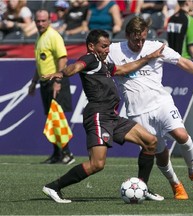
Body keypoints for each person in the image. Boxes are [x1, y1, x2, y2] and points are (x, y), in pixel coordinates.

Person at [41, 29, 165, 203]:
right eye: (104, 46)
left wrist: (149, 57)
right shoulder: (90, 59)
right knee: (97, 164)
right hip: (98, 116)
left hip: (112, 117)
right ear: (92, 46)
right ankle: (54, 187)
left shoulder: (104, 64)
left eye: (108, 46)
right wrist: (61, 73)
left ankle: (142, 187)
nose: (107, 50)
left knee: (150, 142)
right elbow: (76, 66)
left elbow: (123, 68)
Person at [107, 16, 193, 201]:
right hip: (138, 112)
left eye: (142, 39)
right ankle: (176, 185)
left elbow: (182, 61)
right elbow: (93, 61)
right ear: (127, 35)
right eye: (135, 39)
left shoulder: (155, 46)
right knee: (160, 153)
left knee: (181, 135)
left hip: (161, 103)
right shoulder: (113, 50)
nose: (139, 43)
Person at [28, 9, 75, 165]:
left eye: (43, 20)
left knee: (58, 119)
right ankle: (57, 154)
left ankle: (67, 153)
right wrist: (34, 82)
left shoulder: (53, 36)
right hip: (45, 83)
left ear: (49, 20)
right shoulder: (40, 37)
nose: (40, 23)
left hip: (55, 83)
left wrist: (57, 80)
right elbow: (40, 64)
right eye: (38, 21)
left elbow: (63, 59)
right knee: (51, 120)